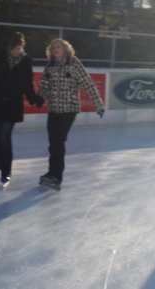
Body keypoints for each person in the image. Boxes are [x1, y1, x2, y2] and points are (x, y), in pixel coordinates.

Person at [36, 38, 105, 190]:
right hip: (54, 109)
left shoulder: (74, 63)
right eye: (53, 47)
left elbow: (88, 84)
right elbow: (44, 87)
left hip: (69, 109)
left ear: (66, 49)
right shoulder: (50, 67)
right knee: (53, 143)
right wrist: (40, 98)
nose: (55, 50)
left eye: (58, 47)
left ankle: (56, 176)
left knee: (58, 141)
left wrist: (98, 104)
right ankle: (51, 172)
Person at [0, 32, 39, 186]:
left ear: (23, 47)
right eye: (14, 48)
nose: (16, 51)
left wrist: (34, 99)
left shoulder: (26, 61)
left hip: (13, 105)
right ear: (9, 46)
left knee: (5, 138)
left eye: (19, 48)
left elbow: (27, 83)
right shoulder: (0, 57)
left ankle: (6, 171)